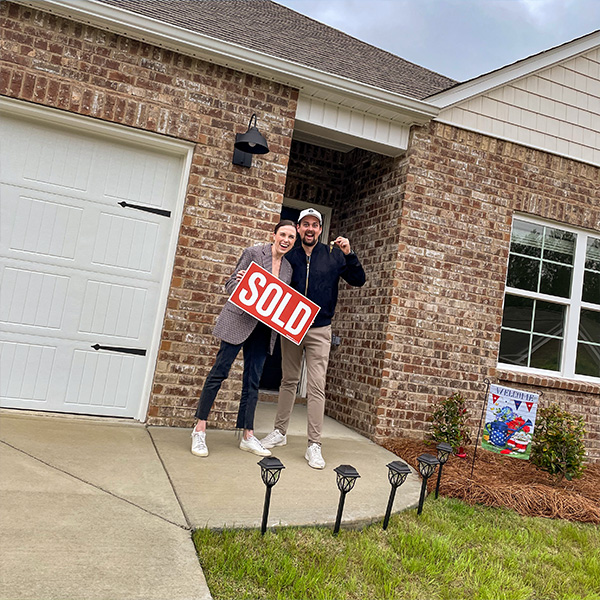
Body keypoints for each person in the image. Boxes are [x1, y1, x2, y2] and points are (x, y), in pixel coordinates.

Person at [260, 208, 366, 469]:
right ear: (298, 228)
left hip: (320, 328)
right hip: (292, 326)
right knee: (289, 380)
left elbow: (359, 280)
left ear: (320, 230)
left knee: (316, 385)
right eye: (305, 224)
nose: (309, 229)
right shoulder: (290, 255)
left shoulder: (333, 255)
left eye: (315, 225)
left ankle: (314, 445)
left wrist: (349, 254)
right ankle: (280, 432)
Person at [191, 220, 297, 458]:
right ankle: (199, 428)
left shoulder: (289, 269)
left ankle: (247, 435)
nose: (286, 240)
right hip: (239, 320)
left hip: (262, 329)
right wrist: (238, 282)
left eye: (291, 237)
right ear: (274, 235)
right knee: (219, 372)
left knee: (252, 381)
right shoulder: (253, 253)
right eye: (283, 234)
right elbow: (230, 283)